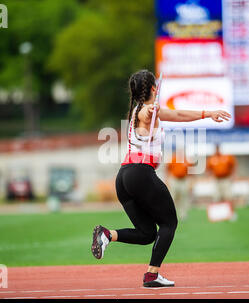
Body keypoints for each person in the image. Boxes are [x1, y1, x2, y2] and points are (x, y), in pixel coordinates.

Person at [91, 70, 231, 287]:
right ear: (153, 89)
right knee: (169, 222)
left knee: (147, 233)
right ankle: (152, 274)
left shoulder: (149, 111)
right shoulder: (144, 111)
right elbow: (145, 114)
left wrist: (207, 113)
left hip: (125, 178)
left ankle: (108, 235)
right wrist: (150, 110)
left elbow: (179, 116)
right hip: (140, 173)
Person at [167, 150, 191, 221]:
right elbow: (168, 169)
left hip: (183, 180)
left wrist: (190, 181)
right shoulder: (173, 159)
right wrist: (168, 179)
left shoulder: (186, 160)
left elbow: (189, 171)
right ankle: (170, 214)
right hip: (175, 179)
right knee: (172, 197)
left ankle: (183, 214)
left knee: (183, 197)